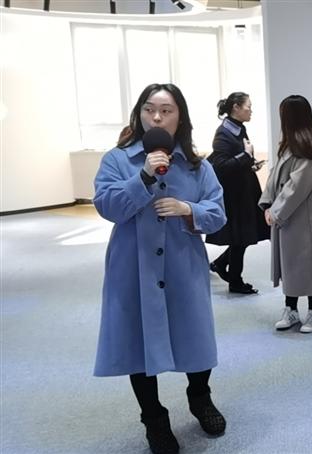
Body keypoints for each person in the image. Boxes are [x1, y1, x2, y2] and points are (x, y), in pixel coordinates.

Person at [93, 83, 228, 454]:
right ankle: (153, 418)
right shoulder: (117, 160)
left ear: (179, 118)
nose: (156, 117)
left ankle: (200, 397)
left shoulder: (198, 165)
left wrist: (189, 210)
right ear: (139, 114)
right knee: (138, 342)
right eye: (149, 109)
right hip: (132, 266)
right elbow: (106, 206)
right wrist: (143, 178)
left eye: (166, 110)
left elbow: (217, 214)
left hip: (183, 265)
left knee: (194, 334)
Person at [260, 95, 312, 334]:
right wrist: (268, 204)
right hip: (289, 215)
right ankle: (290, 309)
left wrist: (276, 211)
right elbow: (275, 176)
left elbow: (298, 185)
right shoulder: (289, 144)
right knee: (290, 263)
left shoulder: (310, 147)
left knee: (309, 262)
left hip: (307, 215)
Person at [206, 92, 269, 294]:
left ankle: (221, 265)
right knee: (240, 237)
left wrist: (250, 164)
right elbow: (221, 166)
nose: (251, 110)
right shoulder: (223, 133)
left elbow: (237, 160)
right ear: (236, 107)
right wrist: (245, 156)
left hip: (243, 191)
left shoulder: (238, 128)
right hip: (234, 195)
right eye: (248, 106)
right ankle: (235, 281)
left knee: (243, 237)